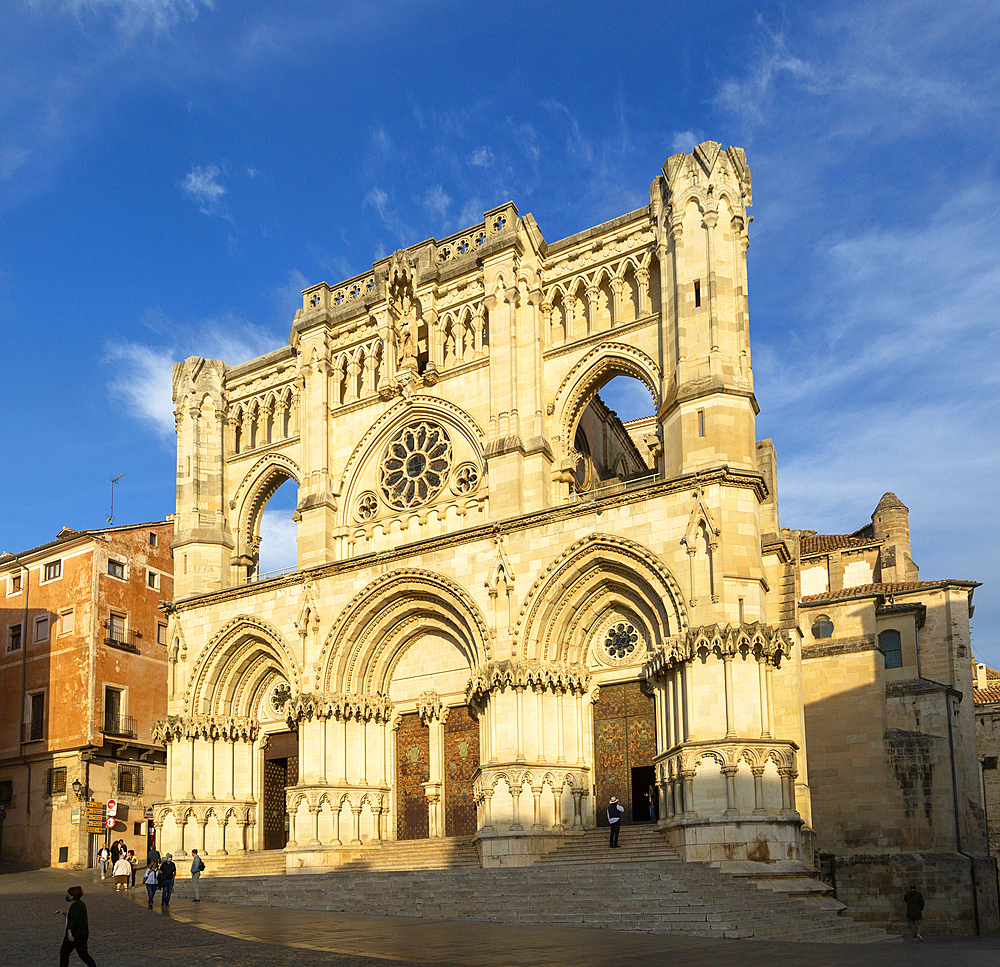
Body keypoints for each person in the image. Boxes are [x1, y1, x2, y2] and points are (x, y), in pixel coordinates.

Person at [55, 885, 97, 967]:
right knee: (83, 954)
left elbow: (74, 919)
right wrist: (64, 913)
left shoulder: (74, 906)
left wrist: (69, 932)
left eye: (69, 895)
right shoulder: (81, 904)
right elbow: (76, 916)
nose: (68, 896)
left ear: (72, 896)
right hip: (83, 934)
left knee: (64, 953)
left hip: (75, 934)